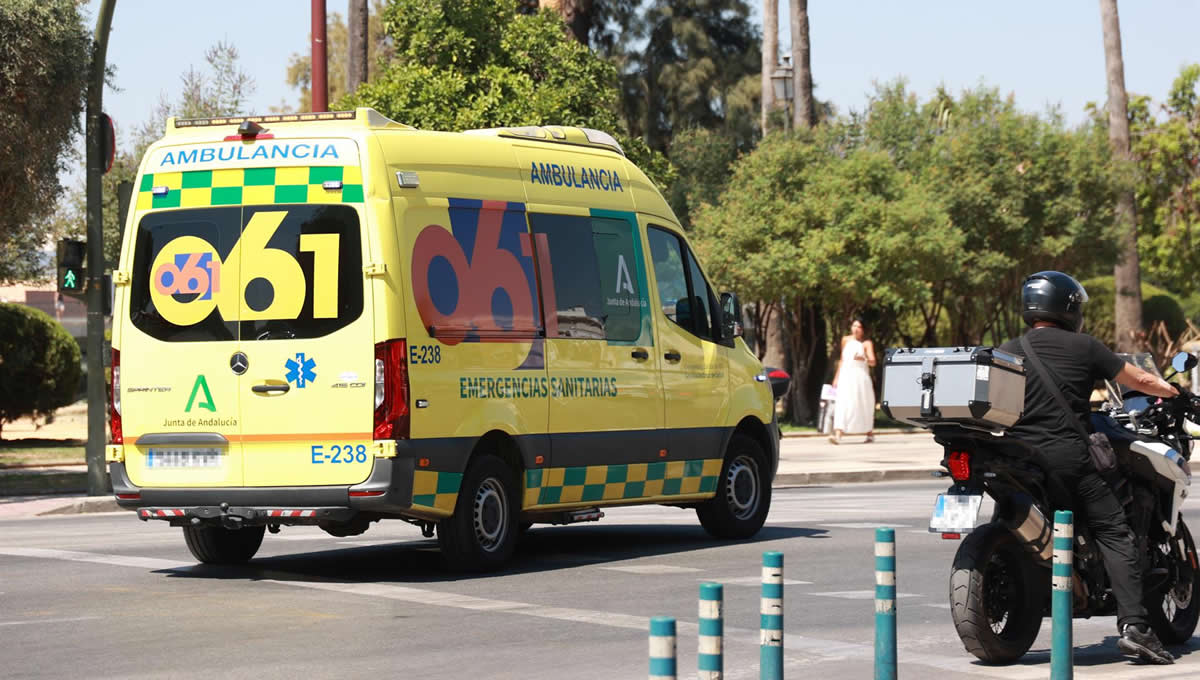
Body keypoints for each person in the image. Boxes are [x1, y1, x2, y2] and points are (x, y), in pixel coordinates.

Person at [1000, 271, 1178, 665]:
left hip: (1018, 459)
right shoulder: (1084, 347)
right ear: (1069, 308)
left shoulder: (1009, 348)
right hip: (1068, 458)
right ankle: (1136, 628)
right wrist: (1171, 390)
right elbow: (1139, 379)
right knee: (1114, 530)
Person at [830, 319, 876, 444]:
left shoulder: (866, 343)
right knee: (843, 403)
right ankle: (838, 434)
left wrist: (864, 358)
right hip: (846, 375)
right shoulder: (845, 340)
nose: (856, 329)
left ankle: (869, 433)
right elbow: (842, 360)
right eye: (854, 326)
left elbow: (873, 362)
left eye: (859, 327)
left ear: (863, 329)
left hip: (860, 376)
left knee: (863, 403)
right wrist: (836, 378)